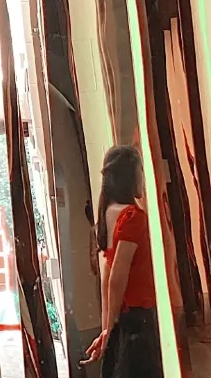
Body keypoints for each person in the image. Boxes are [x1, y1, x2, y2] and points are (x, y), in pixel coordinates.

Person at [80, 145, 162, 377]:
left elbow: (108, 276)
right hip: (141, 317)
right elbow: (117, 277)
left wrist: (107, 328)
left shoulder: (109, 213)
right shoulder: (133, 218)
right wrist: (108, 328)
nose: (142, 177)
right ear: (130, 176)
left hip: (125, 319)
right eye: (139, 171)